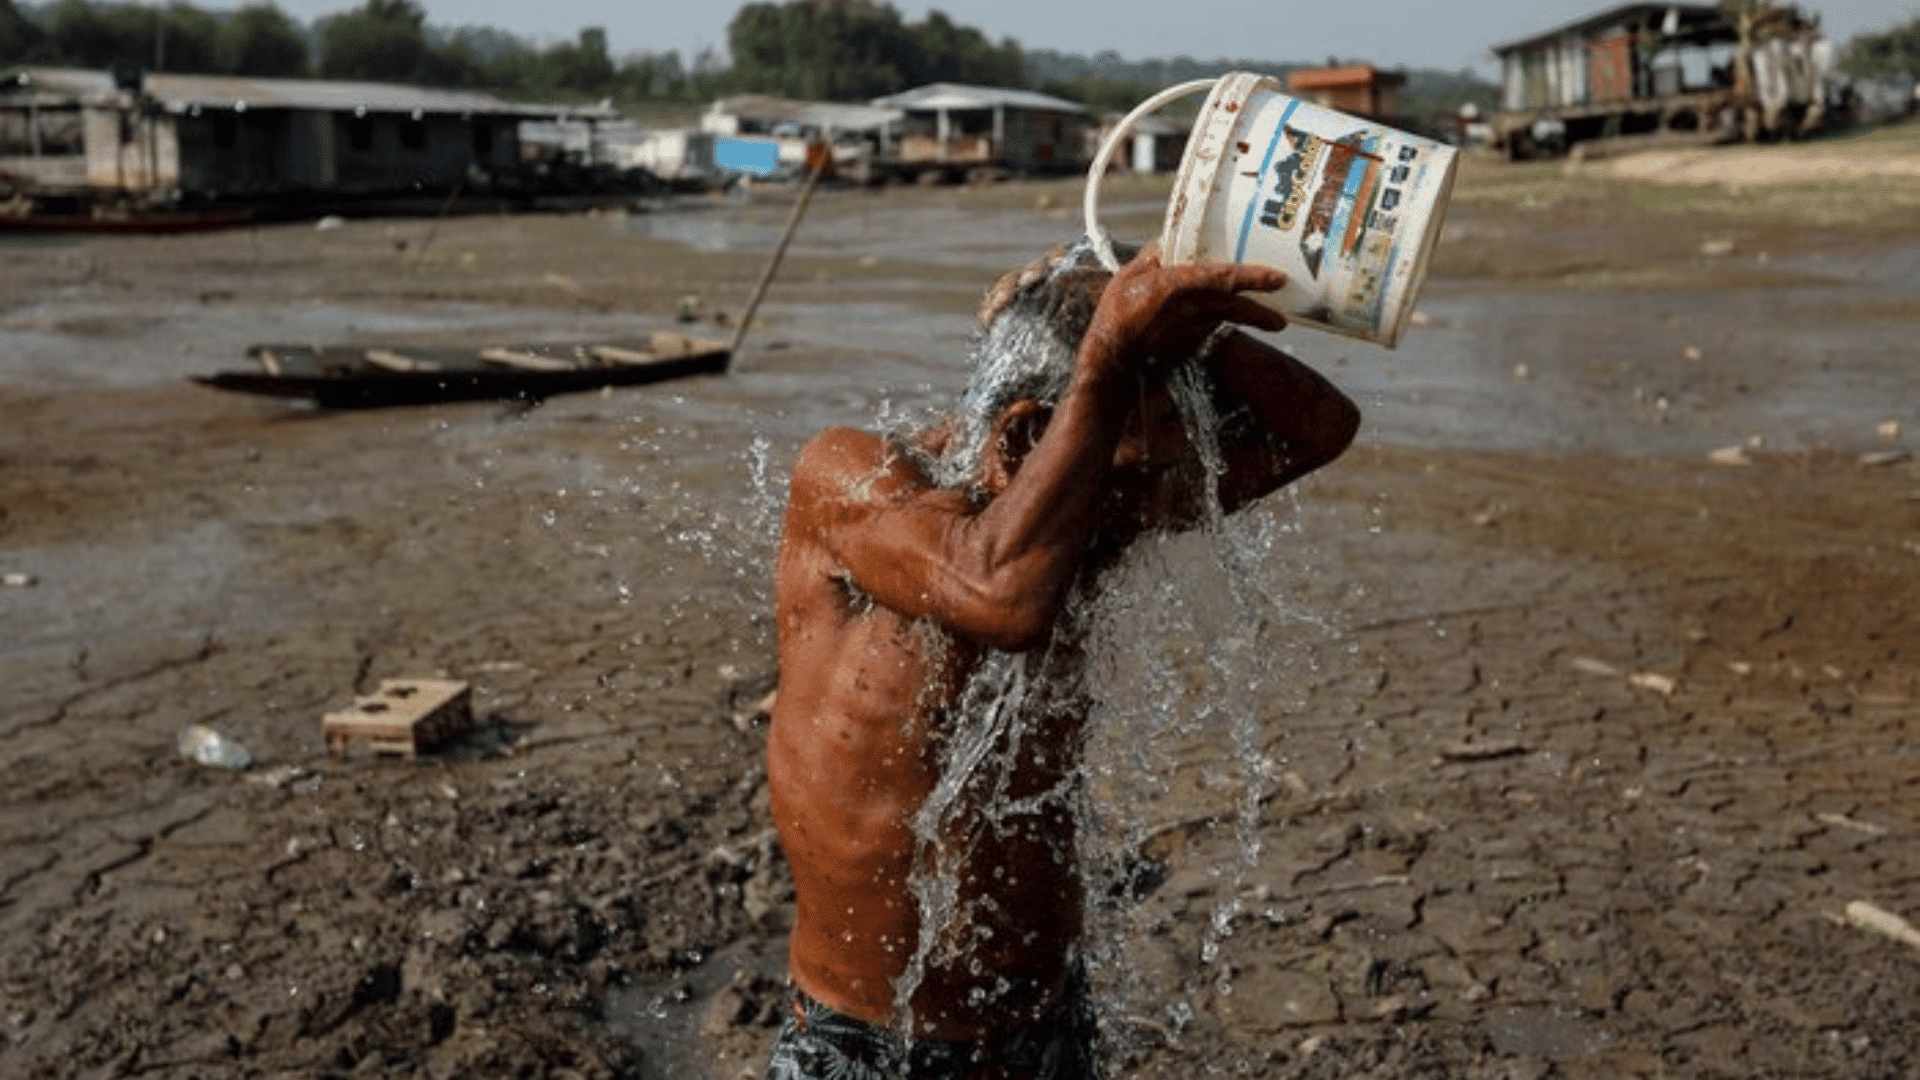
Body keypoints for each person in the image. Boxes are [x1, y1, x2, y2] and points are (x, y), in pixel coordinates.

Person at [763, 240, 1359, 1080]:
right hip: (869, 1041)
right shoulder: (855, 479)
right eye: (1135, 467)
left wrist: (1185, 322)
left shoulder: (1099, 511)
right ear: (1025, 436)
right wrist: (1109, 352)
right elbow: (996, 595)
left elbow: (1318, 429)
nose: (1154, 497)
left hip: (1043, 1019)